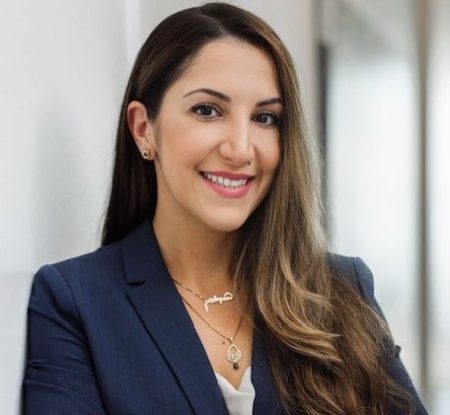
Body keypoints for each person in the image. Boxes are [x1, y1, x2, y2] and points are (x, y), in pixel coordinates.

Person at [22, 2, 428, 414]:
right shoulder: (75, 301)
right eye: (208, 110)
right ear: (144, 129)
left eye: (265, 118)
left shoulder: (343, 289)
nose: (240, 149)